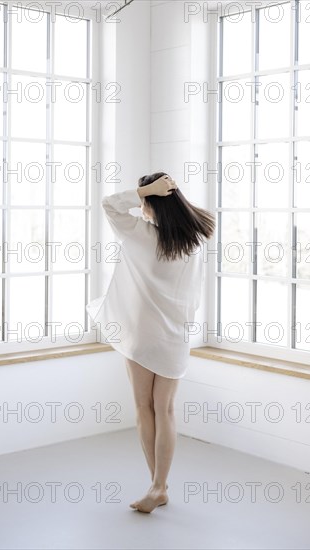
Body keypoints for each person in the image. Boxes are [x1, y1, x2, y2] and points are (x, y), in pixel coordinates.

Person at [86, 172, 215, 513]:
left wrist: (145, 190)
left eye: (144, 200)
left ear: (148, 201)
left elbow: (109, 204)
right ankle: (158, 485)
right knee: (167, 410)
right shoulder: (195, 240)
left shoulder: (139, 234)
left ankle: (158, 485)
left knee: (144, 408)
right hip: (175, 336)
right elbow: (195, 294)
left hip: (141, 335)